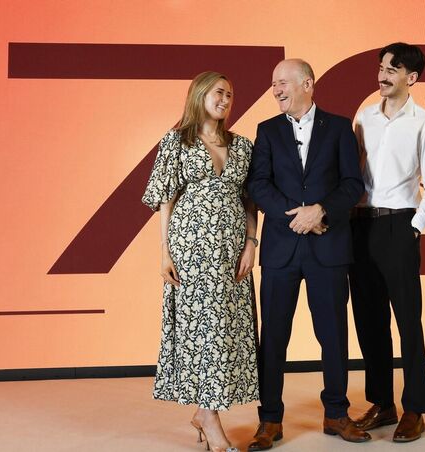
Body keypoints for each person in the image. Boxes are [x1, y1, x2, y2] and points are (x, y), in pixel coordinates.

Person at [246, 59, 369, 451]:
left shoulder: (339, 127)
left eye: (282, 82)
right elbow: (258, 185)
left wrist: (321, 211)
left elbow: (353, 184)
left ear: (308, 84)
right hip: (282, 250)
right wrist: (298, 216)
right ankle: (269, 420)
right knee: (274, 337)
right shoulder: (266, 131)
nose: (276, 89)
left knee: (332, 335)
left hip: (329, 248)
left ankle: (336, 413)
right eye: (273, 83)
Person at [142, 71, 259, 452]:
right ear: (199, 95)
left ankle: (204, 414)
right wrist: (164, 252)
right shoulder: (176, 141)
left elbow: (249, 201)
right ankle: (210, 419)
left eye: (230, 94)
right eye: (219, 92)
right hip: (191, 249)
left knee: (224, 332)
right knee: (202, 333)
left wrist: (251, 243)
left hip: (231, 252)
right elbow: (166, 199)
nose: (226, 99)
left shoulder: (243, 145)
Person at [349, 42, 425, 443]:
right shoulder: (363, 118)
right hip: (360, 226)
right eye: (381, 67)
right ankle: (383, 404)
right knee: (369, 322)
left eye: (392, 68)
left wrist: (415, 227)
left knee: (408, 321)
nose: (382, 74)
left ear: (412, 78)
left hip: (399, 227)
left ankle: (416, 409)